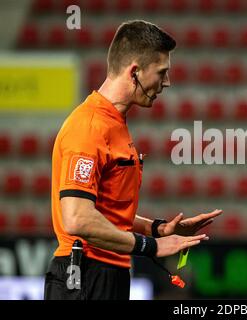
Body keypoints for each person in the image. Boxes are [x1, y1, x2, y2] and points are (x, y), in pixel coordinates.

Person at [44, 20, 222, 300]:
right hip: (83, 276)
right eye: (162, 72)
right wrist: (150, 246)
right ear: (135, 72)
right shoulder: (89, 127)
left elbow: (104, 209)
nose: (167, 82)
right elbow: (77, 219)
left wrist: (156, 229)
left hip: (106, 273)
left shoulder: (114, 123)